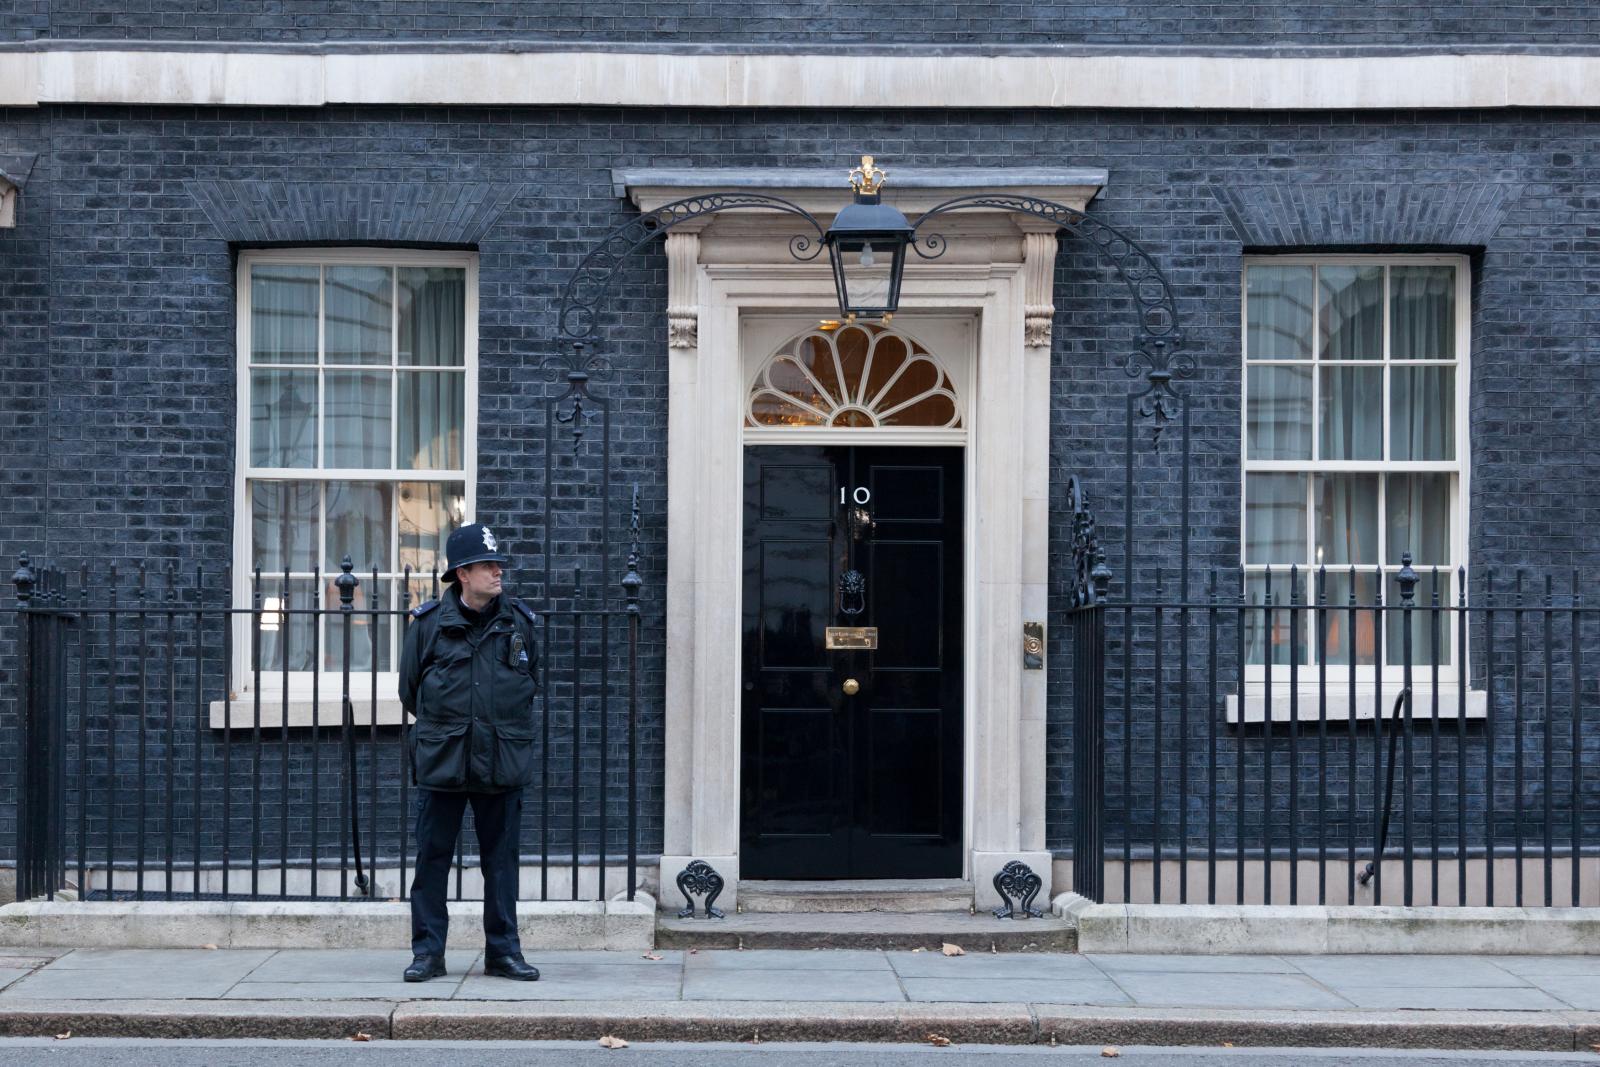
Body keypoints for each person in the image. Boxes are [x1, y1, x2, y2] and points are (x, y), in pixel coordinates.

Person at [398, 522, 541, 982]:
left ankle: (503, 952)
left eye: (499, 564)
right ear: (462, 573)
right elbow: (409, 692)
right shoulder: (428, 627)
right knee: (432, 860)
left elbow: (531, 681)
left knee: (501, 863)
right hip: (444, 761)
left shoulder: (518, 622)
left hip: (501, 761)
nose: (498, 572)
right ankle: (428, 954)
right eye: (488, 565)